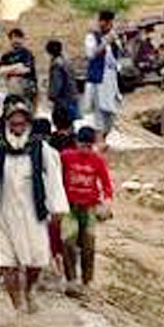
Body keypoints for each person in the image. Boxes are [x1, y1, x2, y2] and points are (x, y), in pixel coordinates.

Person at [0, 98, 68, 314]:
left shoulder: (40, 147)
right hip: (4, 211)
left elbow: (54, 176)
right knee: (7, 263)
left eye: (21, 124)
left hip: (34, 212)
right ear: (7, 123)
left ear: (28, 124)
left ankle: (29, 290)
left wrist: (57, 207)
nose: (17, 129)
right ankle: (18, 304)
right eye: (13, 124)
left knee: (37, 259)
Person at [59, 125, 113, 297]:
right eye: (83, 146)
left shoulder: (97, 161)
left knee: (88, 245)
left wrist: (107, 203)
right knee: (68, 242)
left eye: (89, 147)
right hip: (69, 207)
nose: (85, 150)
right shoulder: (65, 157)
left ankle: (87, 281)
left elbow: (106, 184)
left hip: (89, 207)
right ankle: (71, 279)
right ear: (76, 143)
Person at [83, 10, 122, 142]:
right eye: (105, 22)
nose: (107, 25)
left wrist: (113, 41)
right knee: (99, 111)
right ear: (100, 22)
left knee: (111, 113)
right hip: (99, 80)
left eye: (110, 22)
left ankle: (102, 138)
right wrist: (105, 42)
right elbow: (91, 54)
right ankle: (100, 142)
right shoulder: (91, 37)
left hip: (111, 81)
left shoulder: (114, 38)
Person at [0, 27, 37, 105]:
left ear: (22, 39)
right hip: (11, 89)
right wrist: (17, 66)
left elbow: (26, 70)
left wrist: (9, 69)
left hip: (26, 89)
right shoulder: (6, 55)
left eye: (18, 37)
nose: (15, 40)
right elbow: (1, 71)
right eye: (13, 38)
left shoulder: (27, 54)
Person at [45, 39, 78, 121]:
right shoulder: (66, 61)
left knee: (62, 122)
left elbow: (57, 84)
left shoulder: (56, 64)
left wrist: (51, 96)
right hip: (71, 97)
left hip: (63, 100)